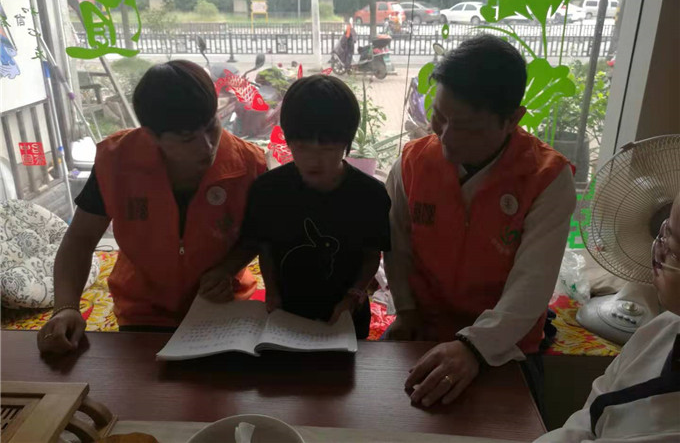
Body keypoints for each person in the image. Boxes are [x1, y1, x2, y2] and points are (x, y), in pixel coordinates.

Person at [384, 34, 577, 407]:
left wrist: (474, 346)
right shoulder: (412, 163)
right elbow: (397, 246)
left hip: (505, 344)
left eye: (468, 128)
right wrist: (405, 310)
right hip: (423, 328)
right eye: (439, 118)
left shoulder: (547, 179)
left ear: (513, 119)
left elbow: (532, 286)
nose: (447, 138)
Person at [37, 60, 266, 354]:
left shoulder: (249, 163)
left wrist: (227, 268)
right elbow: (80, 239)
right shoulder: (116, 161)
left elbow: (257, 236)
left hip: (222, 304)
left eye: (212, 128)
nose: (207, 147)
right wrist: (65, 308)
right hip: (144, 311)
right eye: (187, 139)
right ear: (151, 135)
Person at [202, 75, 391, 339]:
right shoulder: (268, 190)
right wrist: (272, 292)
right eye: (302, 147)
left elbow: (372, 255)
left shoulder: (370, 195)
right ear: (288, 140)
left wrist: (354, 295)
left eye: (328, 148)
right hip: (284, 313)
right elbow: (265, 247)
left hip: (345, 318)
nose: (315, 160)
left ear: (346, 142)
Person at [536, 192, 680, 442]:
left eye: (674, 248)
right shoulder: (657, 332)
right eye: (665, 231)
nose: (659, 248)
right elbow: (588, 419)